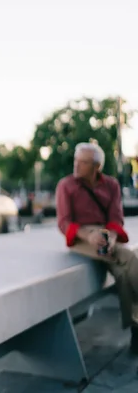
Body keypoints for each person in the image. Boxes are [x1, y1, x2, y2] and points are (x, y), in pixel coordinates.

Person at [55, 142, 138, 354]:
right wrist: (89, 235)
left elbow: (116, 218)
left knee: (122, 274)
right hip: (81, 237)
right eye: (76, 160)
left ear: (96, 167)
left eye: (83, 162)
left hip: (105, 234)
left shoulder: (111, 185)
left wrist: (109, 236)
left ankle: (136, 332)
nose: (77, 166)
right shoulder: (66, 185)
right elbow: (64, 223)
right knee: (129, 258)